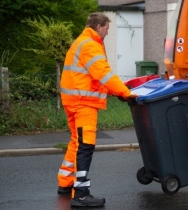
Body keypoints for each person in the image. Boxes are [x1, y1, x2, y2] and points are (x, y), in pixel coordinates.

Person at [57, 12, 137, 207]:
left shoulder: (81, 42)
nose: (108, 33)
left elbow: (91, 77)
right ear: (99, 26)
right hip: (83, 103)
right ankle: (81, 194)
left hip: (73, 100)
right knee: (86, 145)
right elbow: (104, 74)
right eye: (107, 29)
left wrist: (113, 92)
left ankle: (65, 182)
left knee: (76, 141)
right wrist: (125, 92)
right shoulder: (90, 45)